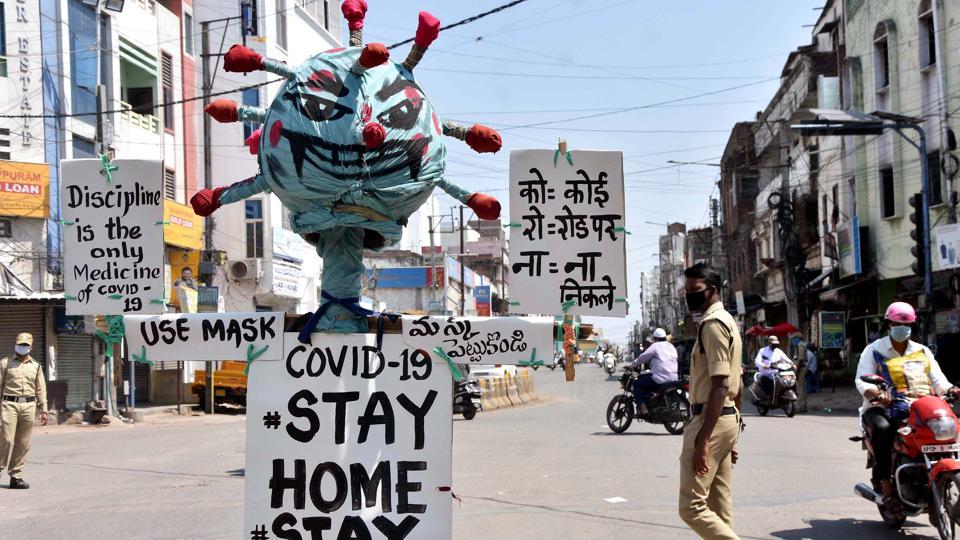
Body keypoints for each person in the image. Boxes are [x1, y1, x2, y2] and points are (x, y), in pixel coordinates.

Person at [855, 301, 960, 515]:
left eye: (906, 323)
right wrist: (877, 393)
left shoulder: (922, 351)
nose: (901, 327)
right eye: (896, 323)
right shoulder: (874, 350)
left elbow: (938, 380)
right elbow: (862, 380)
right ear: (889, 325)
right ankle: (885, 487)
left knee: (944, 427)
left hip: (920, 405)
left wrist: (951, 389)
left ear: (912, 326)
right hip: (882, 407)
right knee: (884, 429)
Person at [678, 263, 742, 539]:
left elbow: (721, 384)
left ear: (712, 291)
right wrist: (732, 434)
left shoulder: (713, 325)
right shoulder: (727, 320)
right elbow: (736, 383)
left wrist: (704, 440)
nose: (689, 295)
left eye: (696, 290)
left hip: (710, 420)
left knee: (691, 508)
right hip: (724, 420)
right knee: (719, 507)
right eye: (687, 290)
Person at [0, 333, 48, 489]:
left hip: (29, 406)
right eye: (20, 344)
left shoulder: (36, 366)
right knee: (6, 439)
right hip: (9, 404)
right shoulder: (5, 363)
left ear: (31, 347)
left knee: (23, 442)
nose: (23, 347)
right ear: (15, 345)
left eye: (26, 345)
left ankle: (16, 476)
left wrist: (44, 409)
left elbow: (41, 389)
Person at [628, 328, 678, 413]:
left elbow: (643, 357)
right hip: (673, 378)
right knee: (646, 377)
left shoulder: (655, 346)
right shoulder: (671, 346)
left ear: (655, 338)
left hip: (660, 379)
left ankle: (643, 408)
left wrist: (631, 365)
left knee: (637, 383)